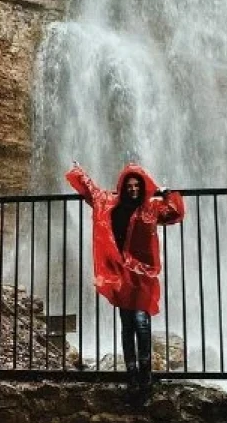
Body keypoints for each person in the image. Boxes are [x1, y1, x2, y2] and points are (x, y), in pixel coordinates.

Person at [65, 161, 184, 402]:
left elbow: (174, 213)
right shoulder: (110, 203)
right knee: (127, 324)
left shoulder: (150, 208)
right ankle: (132, 376)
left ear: (143, 186)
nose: (133, 189)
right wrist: (80, 173)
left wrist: (167, 193)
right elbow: (92, 193)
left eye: (137, 185)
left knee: (141, 321)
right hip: (119, 274)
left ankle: (145, 376)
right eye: (129, 186)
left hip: (142, 276)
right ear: (122, 186)